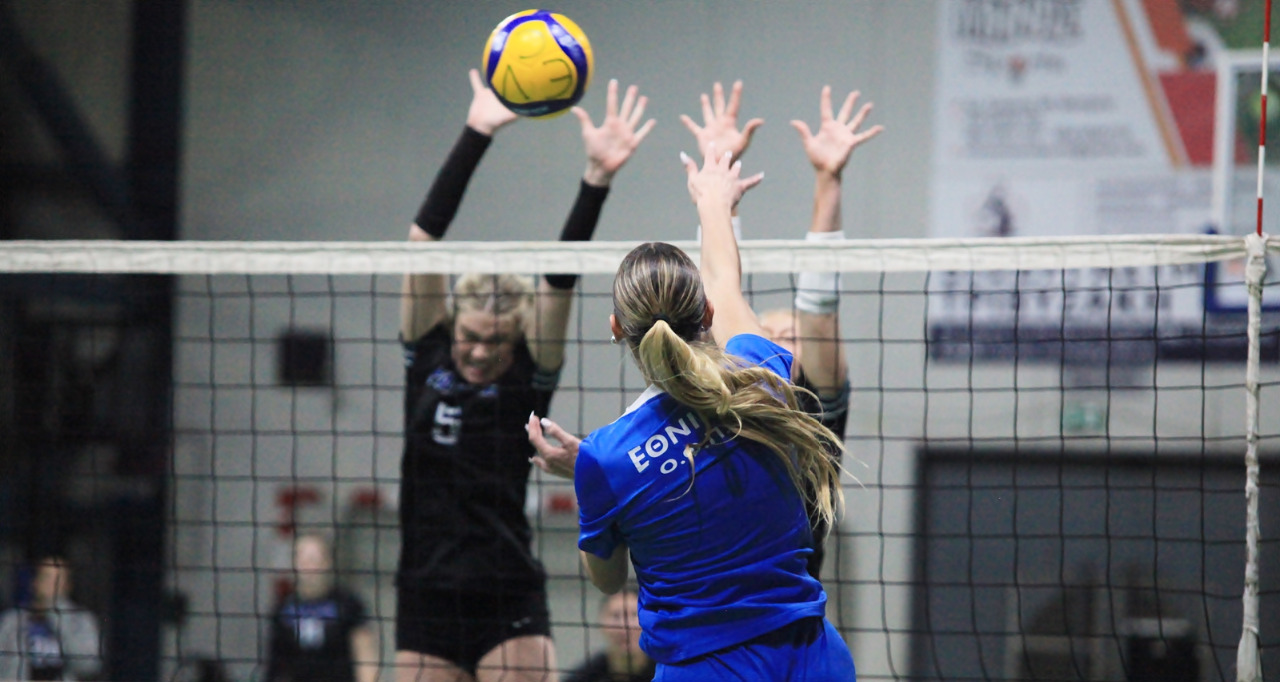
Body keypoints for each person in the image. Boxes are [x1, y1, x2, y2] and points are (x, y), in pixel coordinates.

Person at [529, 148, 855, 680]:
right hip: (812, 658)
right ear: (704, 312)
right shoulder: (762, 374)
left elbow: (607, 579)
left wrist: (598, 487)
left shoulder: (606, 457)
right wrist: (713, 201)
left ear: (616, 328)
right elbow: (725, 281)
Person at [396, 69, 653, 682]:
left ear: (516, 338)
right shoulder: (426, 353)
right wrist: (477, 132)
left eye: (496, 341)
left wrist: (596, 180)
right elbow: (422, 239)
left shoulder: (528, 375)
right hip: (424, 594)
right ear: (451, 323)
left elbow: (558, 278)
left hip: (505, 591)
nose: (480, 351)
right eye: (470, 337)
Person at [680, 81, 883, 578]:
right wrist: (718, 186)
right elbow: (717, 297)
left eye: (791, 337)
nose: (778, 343)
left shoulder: (816, 413)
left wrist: (828, 180)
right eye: (768, 335)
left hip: (789, 599)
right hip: (710, 592)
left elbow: (818, 311)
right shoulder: (719, 399)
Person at [265, 534, 377, 682]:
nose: (307, 566)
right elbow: (275, 665)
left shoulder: (348, 604)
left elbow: (365, 657)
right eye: (301, 559)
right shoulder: (283, 609)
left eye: (313, 559)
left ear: (327, 562)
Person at [0, 556, 102, 681]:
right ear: (35, 582)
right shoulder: (12, 620)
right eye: (46, 577)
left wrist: (58, 616)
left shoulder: (81, 621)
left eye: (57, 580)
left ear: (68, 586)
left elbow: (89, 667)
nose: (51, 585)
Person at [563, 588, 653, 682]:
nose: (624, 626)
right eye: (615, 616)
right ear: (601, 624)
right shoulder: (586, 675)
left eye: (634, 615)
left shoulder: (662, 671)